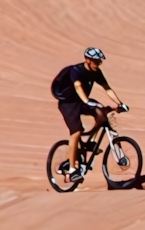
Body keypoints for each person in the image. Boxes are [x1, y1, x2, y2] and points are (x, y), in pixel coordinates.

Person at [51, 47, 126, 181]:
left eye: (100, 62)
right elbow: (78, 86)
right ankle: (73, 170)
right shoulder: (76, 70)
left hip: (82, 100)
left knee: (101, 112)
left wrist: (120, 103)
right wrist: (87, 101)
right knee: (76, 132)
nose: (98, 64)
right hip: (68, 103)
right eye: (96, 61)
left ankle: (90, 142)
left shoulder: (97, 72)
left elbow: (107, 89)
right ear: (88, 60)